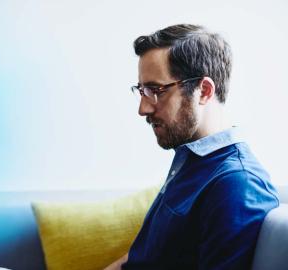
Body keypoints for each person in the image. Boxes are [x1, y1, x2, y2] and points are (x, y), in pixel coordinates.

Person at [105, 24, 279, 270]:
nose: (143, 109)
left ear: (204, 91)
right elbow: (139, 259)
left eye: (156, 90)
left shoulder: (237, 184)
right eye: (142, 91)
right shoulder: (190, 159)